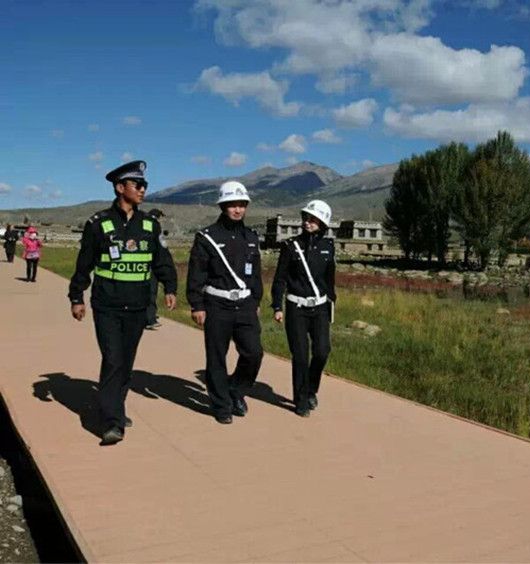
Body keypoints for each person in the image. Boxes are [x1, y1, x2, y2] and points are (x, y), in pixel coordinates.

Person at [68, 160, 178, 446]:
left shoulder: (150, 224)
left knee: (126, 362)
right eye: (137, 184)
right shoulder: (98, 223)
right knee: (113, 359)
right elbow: (84, 263)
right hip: (107, 305)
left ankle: (115, 406)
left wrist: (170, 286)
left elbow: (162, 260)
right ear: (120, 187)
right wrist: (77, 297)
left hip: (138, 306)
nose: (142, 190)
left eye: (145, 185)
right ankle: (112, 422)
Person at [187, 181, 264, 425]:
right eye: (232, 205)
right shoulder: (207, 237)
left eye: (242, 204)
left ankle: (236, 390)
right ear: (223, 206)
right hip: (217, 304)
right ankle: (221, 405)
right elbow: (197, 272)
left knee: (254, 353)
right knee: (216, 357)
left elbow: (255, 273)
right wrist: (197, 304)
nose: (238, 209)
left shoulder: (251, 237)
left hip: (245, 304)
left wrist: (257, 299)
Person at [271, 200, 336, 418]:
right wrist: (277, 305)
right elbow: (280, 278)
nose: (308, 222)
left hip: (320, 308)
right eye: (306, 218)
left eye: (313, 219)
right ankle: (300, 401)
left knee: (322, 351)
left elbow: (330, 279)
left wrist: (331, 302)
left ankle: (310, 390)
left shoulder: (329, 247)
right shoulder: (290, 246)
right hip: (296, 308)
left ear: (323, 222)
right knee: (300, 356)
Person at [145, 208, 166, 329]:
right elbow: (162, 248)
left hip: (141, 265)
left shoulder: (141, 224)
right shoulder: (155, 226)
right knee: (151, 292)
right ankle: (150, 319)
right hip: (152, 265)